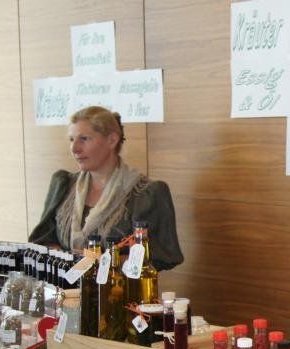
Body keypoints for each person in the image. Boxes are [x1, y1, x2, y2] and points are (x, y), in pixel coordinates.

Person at [29, 106, 183, 271]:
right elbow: (43, 241)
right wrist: (66, 258)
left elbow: (161, 257)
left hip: (120, 286)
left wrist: (104, 261)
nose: (75, 149)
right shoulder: (63, 184)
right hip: (66, 286)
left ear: (112, 140)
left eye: (84, 139)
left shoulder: (146, 194)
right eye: (72, 139)